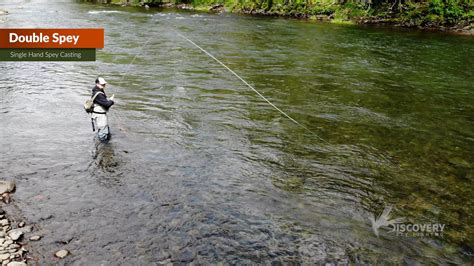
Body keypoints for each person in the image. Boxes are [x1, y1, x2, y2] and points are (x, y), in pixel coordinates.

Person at [91, 77, 114, 142]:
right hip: (100, 116)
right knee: (103, 133)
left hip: (98, 115)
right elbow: (107, 105)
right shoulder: (98, 94)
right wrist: (111, 101)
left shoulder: (97, 90)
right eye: (102, 84)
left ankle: (104, 145)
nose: (104, 86)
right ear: (97, 84)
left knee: (104, 130)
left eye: (104, 84)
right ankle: (104, 148)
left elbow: (103, 102)